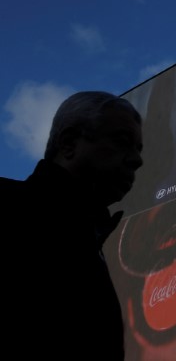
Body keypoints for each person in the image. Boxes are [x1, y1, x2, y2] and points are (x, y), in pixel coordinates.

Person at [0, 91, 144, 360]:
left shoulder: (91, 243)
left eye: (138, 148)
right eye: (122, 142)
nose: (137, 160)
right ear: (68, 144)